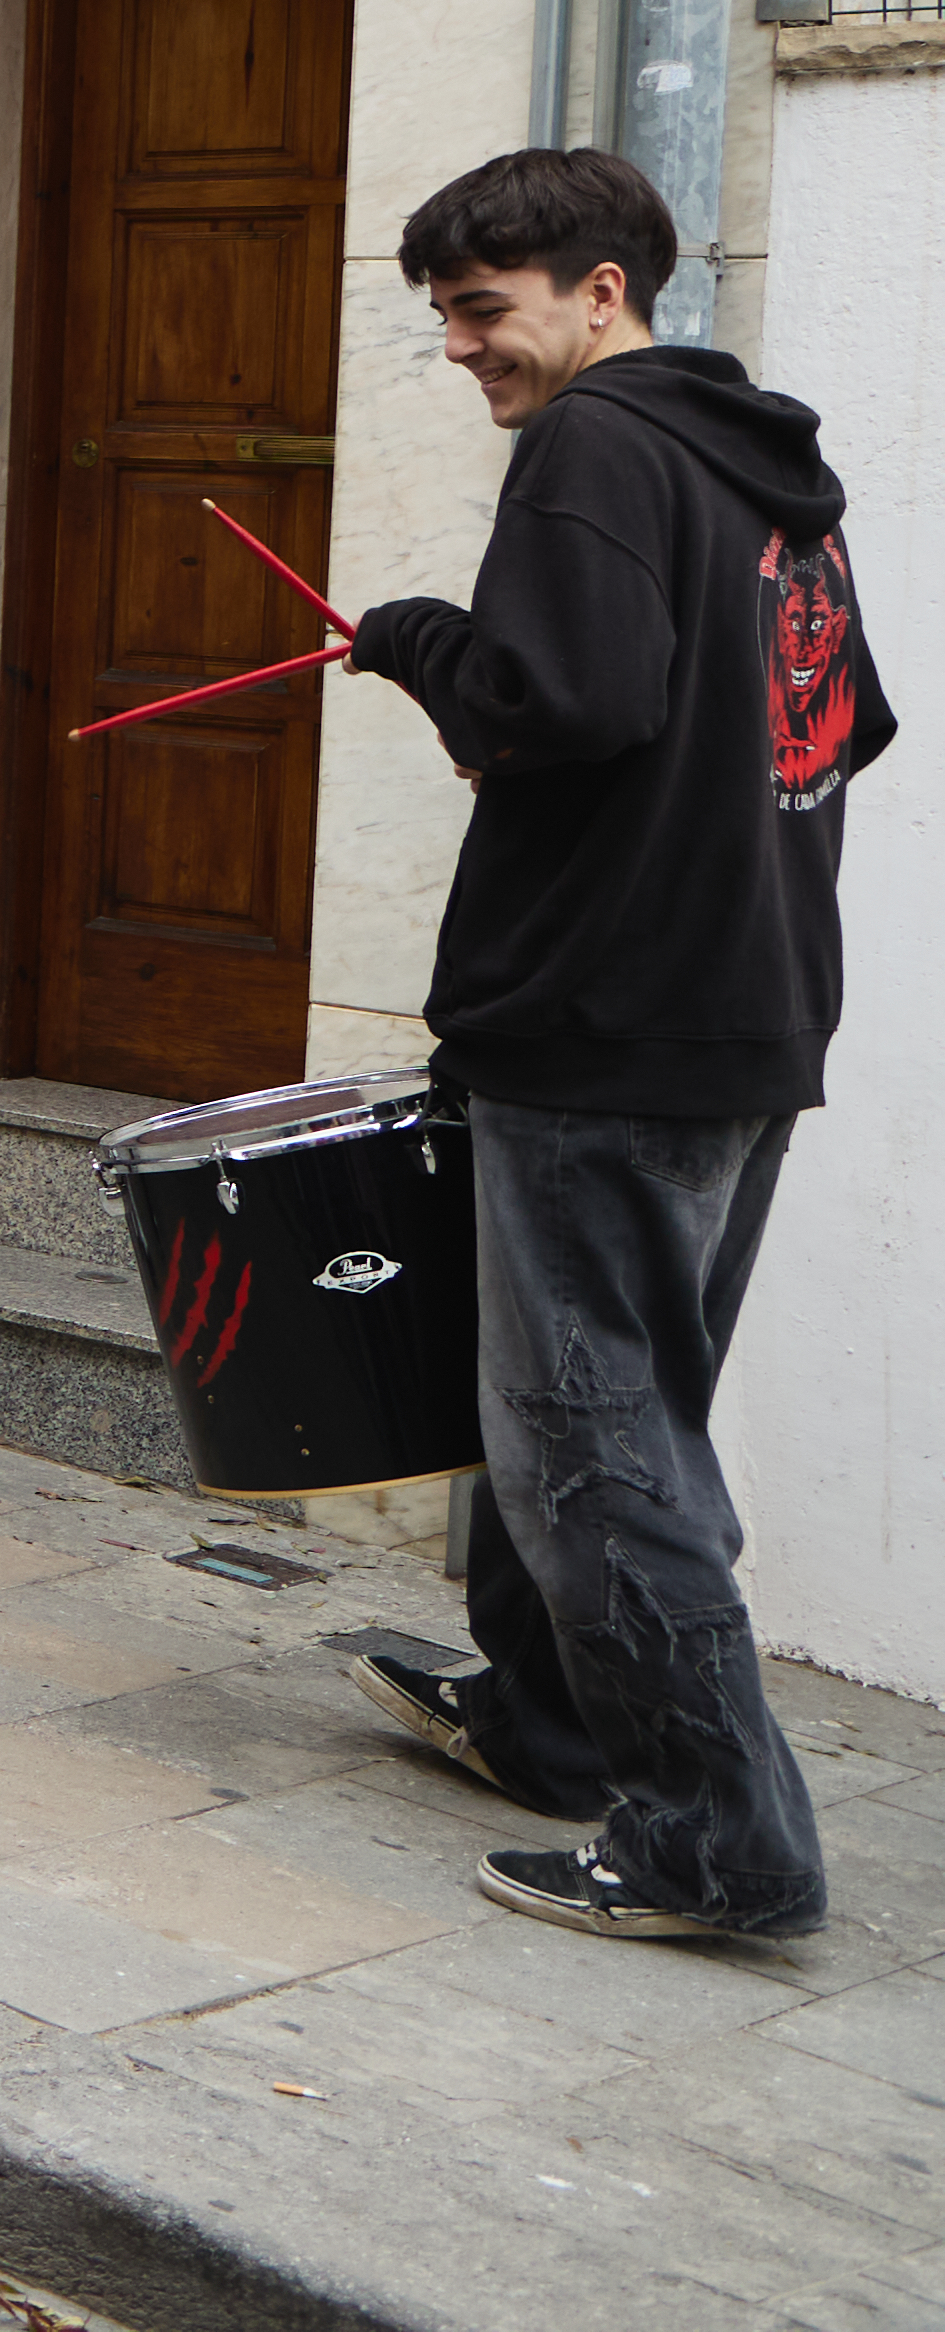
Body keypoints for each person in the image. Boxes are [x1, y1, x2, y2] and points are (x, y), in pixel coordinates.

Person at [331, 147, 890, 1943]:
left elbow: (550, 706)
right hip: (743, 1006)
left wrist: (418, 638)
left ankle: (719, 1843)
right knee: (577, 1404)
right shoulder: (770, 477)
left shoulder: (591, 446)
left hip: (606, 1020)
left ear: (598, 291)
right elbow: (839, 722)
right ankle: (548, 1713)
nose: (463, 353)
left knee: (593, 1442)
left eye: (482, 314)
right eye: (444, 319)